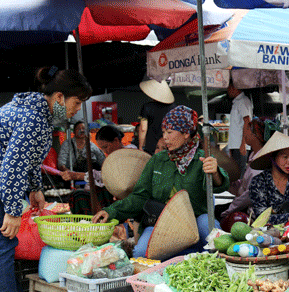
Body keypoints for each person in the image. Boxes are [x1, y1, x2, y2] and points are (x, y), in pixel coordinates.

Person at [0, 66, 92, 292]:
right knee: (3, 241)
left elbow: (30, 158)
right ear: (59, 97)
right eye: (76, 102)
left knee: (2, 242)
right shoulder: (32, 119)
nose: (76, 110)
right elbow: (12, 167)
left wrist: (36, 188)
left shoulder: (38, 113)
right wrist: (14, 210)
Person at [92, 106, 230, 258]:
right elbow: (140, 196)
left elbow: (220, 184)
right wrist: (111, 211)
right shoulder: (158, 160)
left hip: (194, 225)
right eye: (164, 132)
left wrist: (215, 172)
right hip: (161, 223)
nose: (165, 137)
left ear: (185, 133)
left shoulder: (202, 159)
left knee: (208, 226)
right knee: (140, 254)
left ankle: (201, 260)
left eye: (169, 132)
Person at [138, 79, 177, 155]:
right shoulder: (174, 107)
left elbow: (143, 128)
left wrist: (140, 146)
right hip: (169, 145)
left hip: (152, 147)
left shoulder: (147, 107)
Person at [226, 81, 253, 180]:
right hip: (235, 144)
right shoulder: (237, 102)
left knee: (240, 174)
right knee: (236, 172)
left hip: (240, 144)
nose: (228, 91)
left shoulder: (243, 101)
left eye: (229, 88)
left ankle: (240, 194)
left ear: (234, 88)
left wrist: (243, 144)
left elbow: (247, 122)